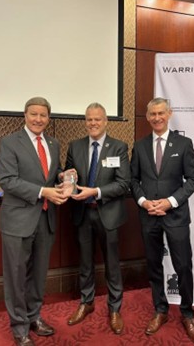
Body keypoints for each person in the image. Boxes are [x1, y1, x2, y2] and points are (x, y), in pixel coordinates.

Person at [0, 97, 69, 346]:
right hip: (17, 220)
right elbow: (8, 180)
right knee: (17, 276)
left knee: (38, 274)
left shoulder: (53, 143)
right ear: (25, 115)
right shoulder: (9, 142)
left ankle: (34, 316)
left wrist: (63, 176)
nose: (38, 119)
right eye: (33, 114)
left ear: (48, 118)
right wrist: (43, 191)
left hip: (45, 219)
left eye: (43, 115)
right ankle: (19, 327)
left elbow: (52, 171)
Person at [130, 97, 194, 344]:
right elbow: (133, 181)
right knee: (153, 266)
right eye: (152, 114)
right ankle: (160, 310)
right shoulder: (139, 146)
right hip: (148, 215)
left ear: (169, 114)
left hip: (176, 215)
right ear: (148, 117)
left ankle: (187, 313)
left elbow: (192, 180)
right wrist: (143, 202)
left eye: (161, 113)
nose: (157, 118)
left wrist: (170, 201)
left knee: (183, 266)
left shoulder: (184, 144)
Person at [65, 102, 130, 334]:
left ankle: (114, 308)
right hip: (82, 213)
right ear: (86, 121)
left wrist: (96, 192)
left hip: (108, 214)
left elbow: (124, 183)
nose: (93, 123)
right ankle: (87, 302)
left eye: (97, 119)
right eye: (89, 119)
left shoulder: (119, 147)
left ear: (106, 121)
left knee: (112, 264)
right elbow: (68, 175)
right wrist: (66, 181)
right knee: (85, 262)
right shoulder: (75, 146)